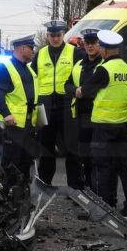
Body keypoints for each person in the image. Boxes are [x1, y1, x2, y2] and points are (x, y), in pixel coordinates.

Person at [76, 29, 127, 216]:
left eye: (100, 46)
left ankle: (102, 209)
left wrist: (78, 90)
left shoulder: (104, 70)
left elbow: (85, 92)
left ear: (104, 49)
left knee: (101, 167)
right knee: (125, 167)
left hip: (103, 126)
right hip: (122, 126)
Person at [32, 20, 84, 188]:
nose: (55, 38)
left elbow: (85, 73)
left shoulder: (75, 52)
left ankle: (75, 187)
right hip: (43, 107)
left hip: (66, 106)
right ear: (47, 36)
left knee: (71, 148)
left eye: (58, 35)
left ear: (63, 34)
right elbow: (31, 78)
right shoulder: (40, 54)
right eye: (52, 35)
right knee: (45, 149)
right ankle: (45, 184)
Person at [0, 35, 38, 186]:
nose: (33, 51)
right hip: (15, 125)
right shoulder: (5, 67)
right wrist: (7, 114)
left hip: (29, 124)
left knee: (26, 162)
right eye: (31, 48)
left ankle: (22, 196)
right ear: (23, 48)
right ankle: (8, 197)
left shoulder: (29, 69)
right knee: (12, 163)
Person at [64, 28, 103, 190]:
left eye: (93, 43)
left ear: (99, 44)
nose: (90, 46)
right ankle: (87, 189)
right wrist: (75, 91)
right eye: (87, 43)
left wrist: (83, 91)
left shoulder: (104, 64)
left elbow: (98, 86)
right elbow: (67, 85)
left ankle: (98, 191)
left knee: (97, 158)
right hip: (81, 115)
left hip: (98, 116)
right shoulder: (79, 64)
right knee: (84, 156)